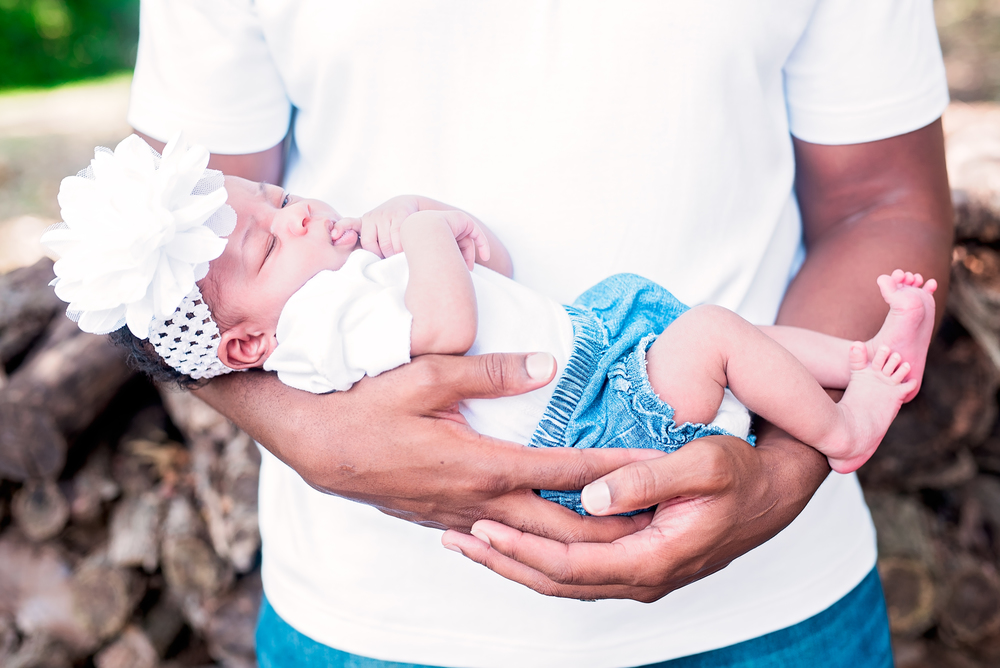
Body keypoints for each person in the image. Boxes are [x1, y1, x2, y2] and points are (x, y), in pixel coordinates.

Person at [125, 2, 954, 666]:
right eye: (274, 229)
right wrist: (319, 439)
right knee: (715, 339)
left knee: (719, 337)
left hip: (776, 598)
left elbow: (881, 202)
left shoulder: (362, 265)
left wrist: (782, 472)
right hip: (380, 623)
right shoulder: (341, 296)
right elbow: (159, 276)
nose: (295, 215)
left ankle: (856, 379)